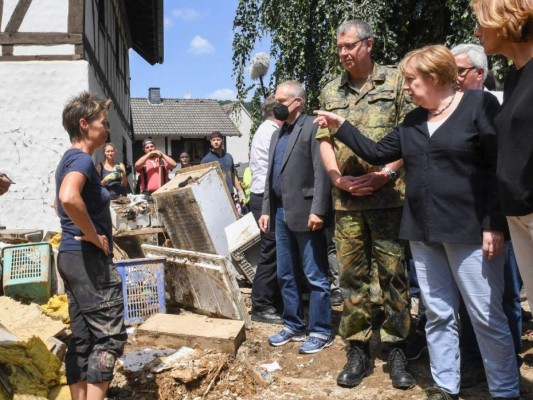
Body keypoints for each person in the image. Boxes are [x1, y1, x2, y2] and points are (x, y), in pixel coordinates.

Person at [314, 44, 520, 400]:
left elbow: (494, 168)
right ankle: (446, 386)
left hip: (471, 232)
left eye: (411, 80)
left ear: (436, 77)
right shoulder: (413, 121)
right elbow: (378, 152)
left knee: (486, 318)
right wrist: (342, 125)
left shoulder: (478, 105)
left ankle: (504, 390)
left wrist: (494, 223)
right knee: (439, 314)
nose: (405, 87)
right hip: (424, 234)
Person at [316, 19, 414, 390]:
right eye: (339, 47)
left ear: (369, 45)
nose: (342, 53)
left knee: (393, 275)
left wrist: (385, 174)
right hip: (347, 203)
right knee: (350, 277)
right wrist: (336, 179)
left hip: (388, 198)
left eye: (349, 46)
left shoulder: (396, 82)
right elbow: (324, 140)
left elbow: (409, 136)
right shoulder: (330, 90)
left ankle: (397, 348)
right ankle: (357, 348)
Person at [450, 43, 523, 389]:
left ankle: (509, 359)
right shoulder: (449, 108)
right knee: (473, 298)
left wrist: (495, 221)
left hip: (501, 217)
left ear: (479, 73)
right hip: (471, 220)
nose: (453, 79)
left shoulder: (499, 102)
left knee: (504, 294)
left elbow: (498, 166)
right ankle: (475, 363)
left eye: (459, 72)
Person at [55, 91, 127, 400]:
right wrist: (95, 235)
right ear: (84, 125)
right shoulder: (82, 158)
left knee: (82, 339)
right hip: (87, 260)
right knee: (109, 338)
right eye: (103, 122)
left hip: (70, 258)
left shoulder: (68, 160)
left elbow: (61, 202)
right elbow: (68, 198)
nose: (108, 128)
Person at [259, 80, 332, 354]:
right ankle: (294, 324)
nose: (276, 105)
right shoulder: (279, 133)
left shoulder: (313, 126)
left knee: (314, 274)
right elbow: (270, 176)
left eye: (282, 100)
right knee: (285, 273)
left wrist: (319, 209)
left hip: (306, 210)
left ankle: (321, 329)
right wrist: (266, 209)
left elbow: (321, 170)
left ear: (298, 102)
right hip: (279, 212)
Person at [473, 0, 533, 331]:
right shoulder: (513, 79)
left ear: (506, 18)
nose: (476, 30)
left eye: (481, 21)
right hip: (518, 215)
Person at [249, 96, 284, 325]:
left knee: (274, 250)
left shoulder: (264, 129)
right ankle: (261, 305)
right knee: (270, 252)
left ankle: (273, 300)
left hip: (260, 194)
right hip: (265, 197)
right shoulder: (272, 131)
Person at [201, 131, 244, 201]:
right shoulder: (206, 160)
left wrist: (240, 192)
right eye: (213, 140)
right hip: (215, 196)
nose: (216, 142)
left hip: (230, 193)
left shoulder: (229, 157)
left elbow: (233, 175)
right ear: (210, 142)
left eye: (218, 139)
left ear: (222, 141)